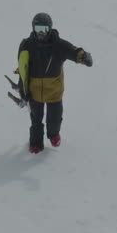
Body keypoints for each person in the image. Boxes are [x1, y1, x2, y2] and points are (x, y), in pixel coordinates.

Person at [15, 13, 93, 153]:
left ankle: (54, 134)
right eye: (38, 28)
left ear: (50, 29)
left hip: (54, 92)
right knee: (36, 121)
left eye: (44, 29)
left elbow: (73, 51)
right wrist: (22, 88)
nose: (41, 33)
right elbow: (22, 67)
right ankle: (36, 144)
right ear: (33, 28)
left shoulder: (58, 45)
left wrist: (84, 56)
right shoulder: (27, 45)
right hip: (34, 91)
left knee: (54, 119)